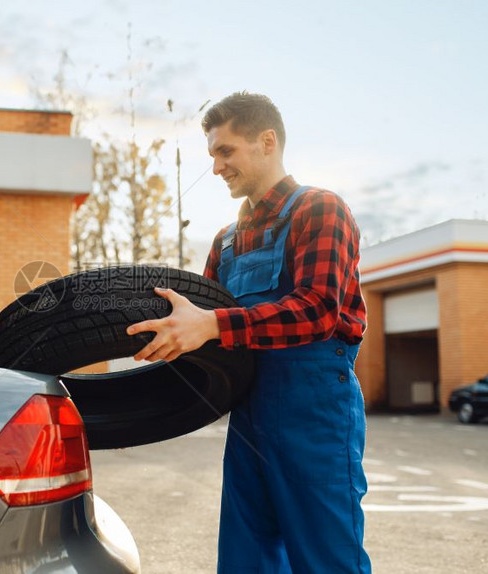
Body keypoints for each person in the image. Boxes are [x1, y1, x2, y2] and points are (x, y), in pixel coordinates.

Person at [126, 91, 371, 573]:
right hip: (248, 418)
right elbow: (201, 333)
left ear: (266, 141)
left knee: (326, 559)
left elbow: (318, 309)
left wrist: (212, 323)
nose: (216, 167)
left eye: (225, 151)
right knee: (246, 560)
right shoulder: (226, 239)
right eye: (213, 154)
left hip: (314, 413)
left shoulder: (319, 210)